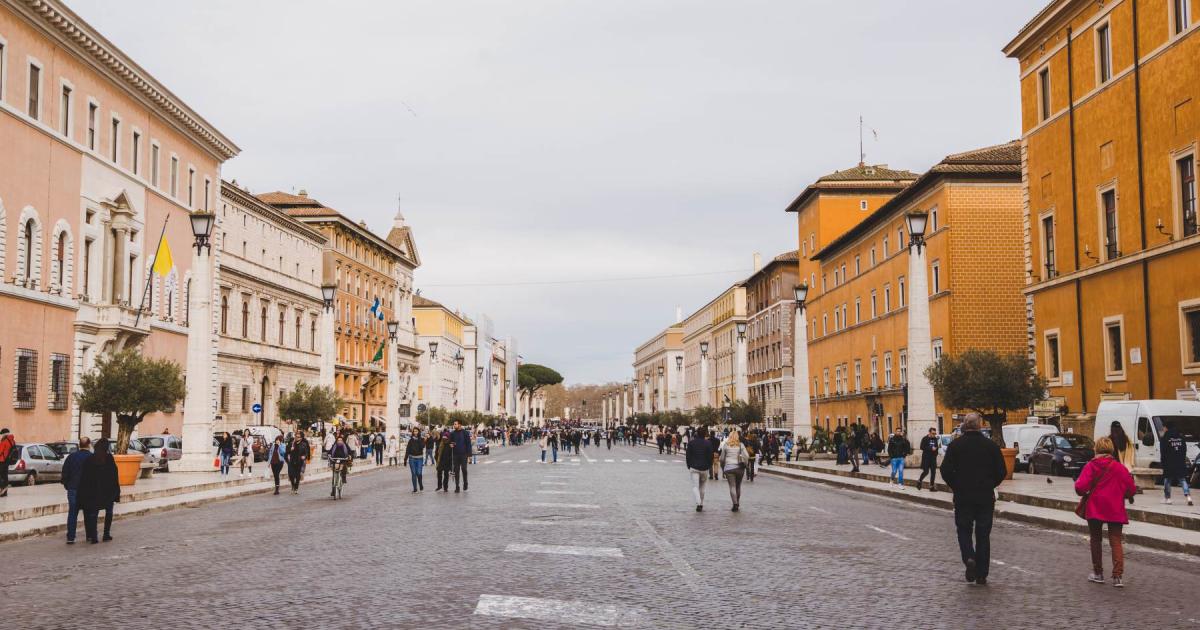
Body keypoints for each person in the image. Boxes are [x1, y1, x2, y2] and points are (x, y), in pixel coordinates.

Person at [940, 413, 1007, 585]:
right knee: (983, 534)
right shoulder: (991, 446)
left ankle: (969, 557)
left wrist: (956, 485)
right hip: (985, 496)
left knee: (964, 530)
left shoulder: (956, 446)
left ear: (964, 425)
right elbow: (1002, 471)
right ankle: (982, 574)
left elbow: (945, 470)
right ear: (979, 425)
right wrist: (990, 483)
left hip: (963, 496)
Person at [1075, 436, 1136, 587]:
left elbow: (1080, 488)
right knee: (1116, 541)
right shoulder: (1119, 468)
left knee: (1096, 539)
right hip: (1115, 508)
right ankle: (1117, 576)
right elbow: (1131, 490)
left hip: (1095, 507)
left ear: (1096, 449)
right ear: (1111, 450)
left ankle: (1098, 573)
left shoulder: (1091, 466)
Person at [78, 437, 120, 544]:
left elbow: (84, 477)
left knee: (93, 514)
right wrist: (116, 490)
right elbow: (114, 475)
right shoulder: (109, 458)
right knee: (109, 512)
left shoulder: (90, 459)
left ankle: (94, 536)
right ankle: (106, 534)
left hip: (94, 491)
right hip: (108, 491)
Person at [60, 437, 93, 543]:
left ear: (79, 445)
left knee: (72, 513)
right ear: (89, 445)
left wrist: (67, 485)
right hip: (87, 490)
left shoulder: (71, 457)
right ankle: (90, 535)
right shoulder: (92, 458)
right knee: (88, 513)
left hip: (73, 488)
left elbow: (65, 472)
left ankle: (71, 537)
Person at [1160, 421, 1193, 506]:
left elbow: (1163, 452)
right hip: (1180, 462)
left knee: (1167, 480)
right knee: (1182, 479)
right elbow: (1184, 450)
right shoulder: (1181, 437)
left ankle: (1168, 498)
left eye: (1163, 427)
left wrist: (1163, 463)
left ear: (1166, 427)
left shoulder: (1165, 438)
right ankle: (1188, 496)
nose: (1163, 429)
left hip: (1169, 463)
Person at [685, 427, 715, 512]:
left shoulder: (691, 443)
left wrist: (689, 465)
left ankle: (698, 502)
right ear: (705, 434)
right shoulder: (708, 443)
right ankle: (701, 503)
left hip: (694, 467)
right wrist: (709, 465)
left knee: (695, 486)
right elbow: (711, 456)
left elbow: (688, 455)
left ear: (697, 433)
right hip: (704, 467)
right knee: (703, 487)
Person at [719, 430, 749, 512]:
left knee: (732, 486)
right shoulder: (741, 445)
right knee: (738, 486)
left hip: (729, 468)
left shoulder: (726, 445)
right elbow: (746, 456)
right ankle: (737, 502)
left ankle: (735, 504)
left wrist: (722, 467)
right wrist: (745, 464)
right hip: (740, 468)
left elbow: (721, 459)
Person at [450, 421, 471, 492]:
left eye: (455, 424)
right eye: (454, 424)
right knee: (456, 470)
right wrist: (451, 445)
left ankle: (465, 483)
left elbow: (468, 444)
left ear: (459, 425)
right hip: (455, 454)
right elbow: (450, 442)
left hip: (464, 454)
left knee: (464, 469)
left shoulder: (465, 433)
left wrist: (469, 455)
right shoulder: (452, 433)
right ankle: (457, 486)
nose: (454, 425)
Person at [405, 429, 426, 493]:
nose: (415, 432)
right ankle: (415, 489)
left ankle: (420, 484)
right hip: (412, 458)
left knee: (419, 473)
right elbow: (407, 449)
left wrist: (419, 439)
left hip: (419, 458)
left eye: (416, 431)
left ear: (418, 432)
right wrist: (405, 459)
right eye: (414, 431)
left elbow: (422, 446)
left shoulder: (421, 439)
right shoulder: (411, 440)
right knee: (414, 473)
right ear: (413, 432)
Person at [0, 428, 15, 497]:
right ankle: (5, 492)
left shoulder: (4, 441)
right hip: (7, 461)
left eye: (2, 434)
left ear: (4, 434)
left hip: (2, 461)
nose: (1, 436)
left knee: (2, 476)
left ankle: (2, 491)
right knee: (5, 476)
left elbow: (0, 451)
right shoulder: (12, 440)